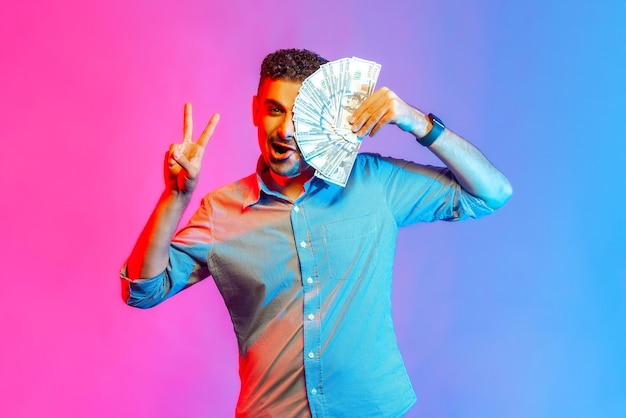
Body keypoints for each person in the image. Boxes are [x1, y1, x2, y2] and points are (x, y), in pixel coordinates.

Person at [120, 48, 512, 417]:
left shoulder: (375, 183)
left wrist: (418, 122)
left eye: (302, 114)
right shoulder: (221, 211)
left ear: (327, 116)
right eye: (275, 110)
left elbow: (492, 193)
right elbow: (142, 290)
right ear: (256, 110)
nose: (286, 130)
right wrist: (175, 198)